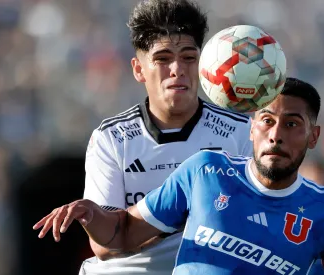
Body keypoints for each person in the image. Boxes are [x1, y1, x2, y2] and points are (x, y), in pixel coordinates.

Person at [34, 78, 324, 275]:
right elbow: (122, 234)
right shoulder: (205, 171)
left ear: (314, 136)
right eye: (267, 120)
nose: (276, 134)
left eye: (292, 124)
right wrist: (91, 213)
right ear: (251, 128)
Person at [79, 0, 253, 273]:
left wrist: (143, 226)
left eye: (188, 57)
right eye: (162, 59)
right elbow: (105, 246)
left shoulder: (241, 131)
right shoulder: (111, 139)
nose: (177, 70)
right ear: (138, 69)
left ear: (202, 64)